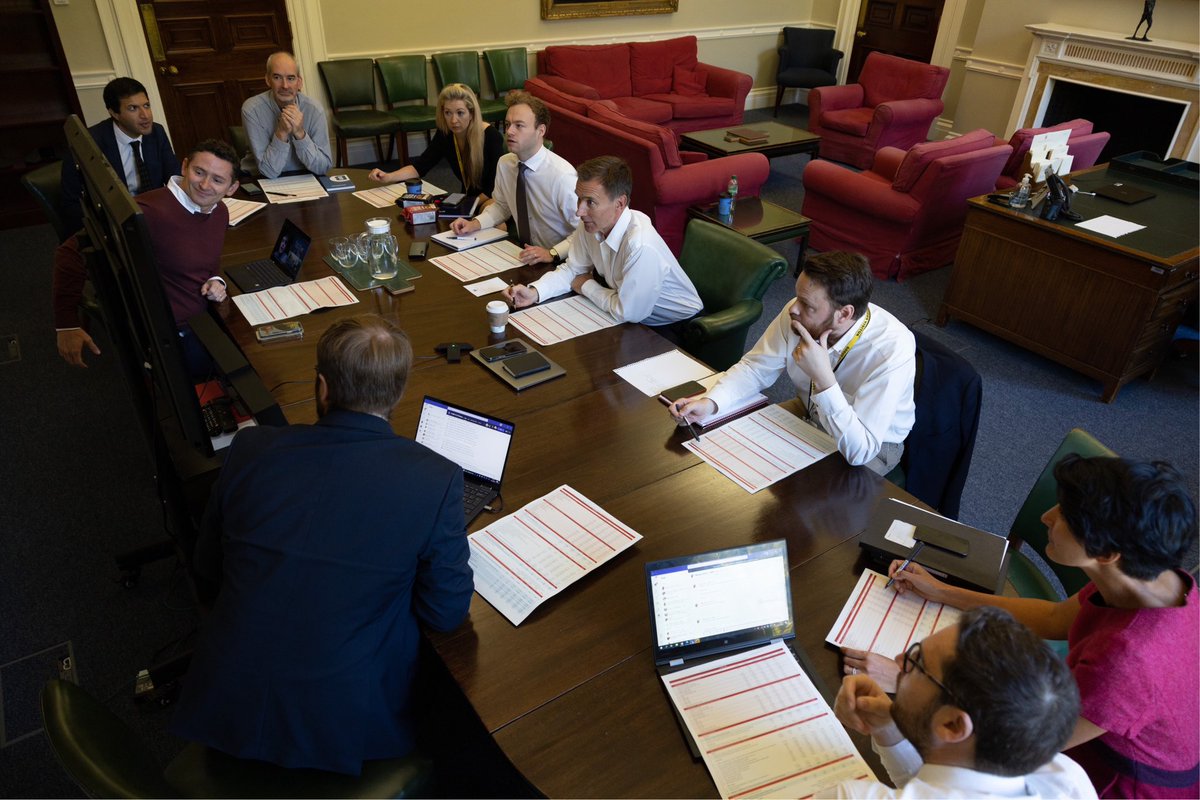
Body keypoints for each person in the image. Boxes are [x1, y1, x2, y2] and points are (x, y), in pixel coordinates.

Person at [170, 315, 474, 775]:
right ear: (397, 394)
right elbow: (446, 613)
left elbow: (208, 567)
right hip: (342, 734)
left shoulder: (249, 450)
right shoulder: (435, 479)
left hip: (224, 706)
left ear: (322, 388)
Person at [849, 456, 1198, 798]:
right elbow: (1054, 619)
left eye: (1064, 516)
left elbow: (1013, 746)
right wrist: (941, 591)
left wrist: (908, 680)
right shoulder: (1152, 580)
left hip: (1116, 781)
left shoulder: (1127, 661)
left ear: (1106, 553)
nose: (1047, 517)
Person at [669, 252, 915, 473]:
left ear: (844, 314)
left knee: (800, 497)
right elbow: (755, 369)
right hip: (809, 411)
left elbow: (860, 451)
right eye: (796, 296)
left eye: (807, 305)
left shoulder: (890, 349)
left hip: (873, 445)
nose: (793, 309)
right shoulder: (798, 313)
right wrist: (710, 403)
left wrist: (824, 380)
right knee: (730, 444)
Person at [833, 606, 1097, 799]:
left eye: (917, 662)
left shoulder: (847, 796)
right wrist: (888, 728)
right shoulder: (1066, 778)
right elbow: (940, 787)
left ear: (952, 724)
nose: (900, 659)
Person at [53, 140, 239, 371]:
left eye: (218, 180)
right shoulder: (145, 211)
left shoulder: (220, 211)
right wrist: (66, 324)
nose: (204, 184)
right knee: (239, 372)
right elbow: (70, 252)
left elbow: (205, 259)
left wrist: (215, 280)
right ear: (184, 167)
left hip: (204, 315)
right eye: (198, 172)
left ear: (231, 188)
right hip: (172, 330)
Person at [502, 155, 702, 327]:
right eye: (579, 199)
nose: (579, 211)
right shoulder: (592, 224)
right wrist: (534, 292)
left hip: (676, 328)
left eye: (590, 202)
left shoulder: (640, 245)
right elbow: (573, 271)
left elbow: (628, 312)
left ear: (620, 203)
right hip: (630, 318)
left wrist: (587, 285)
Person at [450, 91, 577, 267]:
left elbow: (586, 232)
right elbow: (502, 206)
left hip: (561, 261)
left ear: (540, 131)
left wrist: (553, 253)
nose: (509, 131)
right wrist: (475, 223)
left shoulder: (562, 176)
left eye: (519, 125)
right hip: (524, 254)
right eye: (508, 124)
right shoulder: (505, 163)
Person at [60, 76, 180, 235]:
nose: (145, 115)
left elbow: (174, 177)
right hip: (116, 223)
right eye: (133, 108)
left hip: (155, 214)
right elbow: (72, 203)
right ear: (114, 113)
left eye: (146, 105)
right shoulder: (89, 144)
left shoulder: (156, 132)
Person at [368, 82, 504, 200]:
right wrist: (388, 176)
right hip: (468, 196)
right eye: (448, 113)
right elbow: (420, 167)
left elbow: (494, 186)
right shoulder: (445, 134)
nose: (453, 120)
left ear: (472, 113)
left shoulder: (491, 137)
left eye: (460, 113)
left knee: (490, 217)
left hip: (493, 196)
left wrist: (471, 204)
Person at [241, 51, 333, 178]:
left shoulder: (314, 109)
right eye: (277, 77)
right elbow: (268, 171)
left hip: (306, 178)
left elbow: (323, 167)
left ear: (299, 82)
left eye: (290, 78)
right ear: (268, 80)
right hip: (261, 179)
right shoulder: (252, 109)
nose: (285, 85)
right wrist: (281, 133)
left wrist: (300, 134)